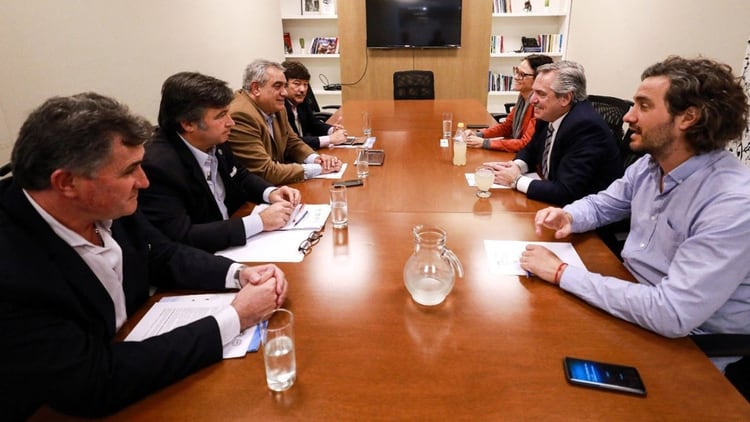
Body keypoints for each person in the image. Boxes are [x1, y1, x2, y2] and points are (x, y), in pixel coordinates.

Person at [0, 93, 288, 419]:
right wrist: (236, 318)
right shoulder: (12, 266)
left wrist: (239, 274)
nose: (145, 181)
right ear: (67, 182)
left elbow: (161, 253)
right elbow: (92, 381)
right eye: (130, 170)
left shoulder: (105, 203)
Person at [521, 56, 750, 386]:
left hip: (689, 348)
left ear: (688, 117)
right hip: (629, 302)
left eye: (643, 106)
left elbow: (672, 313)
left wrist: (560, 272)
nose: (628, 116)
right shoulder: (649, 165)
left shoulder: (731, 202)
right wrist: (570, 214)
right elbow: (604, 204)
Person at [141, 72, 301, 253]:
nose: (231, 123)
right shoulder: (158, 166)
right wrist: (259, 222)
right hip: (205, 258)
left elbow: (239, 175)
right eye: (221, 116)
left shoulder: (214, 140)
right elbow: (182, 236)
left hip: (236, 241)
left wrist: (271, 192)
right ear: (188, 124)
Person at [485, 61, 623, 206]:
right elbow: (531, 149)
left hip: (585, 216)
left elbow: (567, 191)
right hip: (554, 202)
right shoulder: (549, 114)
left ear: (565, 98)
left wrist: (515, 180)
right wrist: (516, 167)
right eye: (534, 92)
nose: (532, 100)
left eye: (541, 94)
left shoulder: (585, 127)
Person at [228, 59, 342, 185]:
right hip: (254, 195)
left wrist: (316, 159)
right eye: (278, 86)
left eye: (284, 85)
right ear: (256, 88)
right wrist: (319, 169)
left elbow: (292, 142)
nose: (284, 92)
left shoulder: (275, 106)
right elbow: (265, 171)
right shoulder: (241, 115)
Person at [465, 54, 553, 152]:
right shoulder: (522, 99)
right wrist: (479, 134)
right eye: (516, 71)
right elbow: (506, 127)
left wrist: (484, 143)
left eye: (522, 74)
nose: (515, 77)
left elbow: (525, 143)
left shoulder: (539, 106)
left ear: (538, 79)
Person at [282, 60, 348, 150]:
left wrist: (332, 130)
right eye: (297, 84)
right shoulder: (280, 107)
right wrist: (330, 139)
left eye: (305, 84)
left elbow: (313, 123)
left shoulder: (301, 101)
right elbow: (292, 141)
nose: (302, 89)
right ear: (284, 85)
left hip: (306, 152)